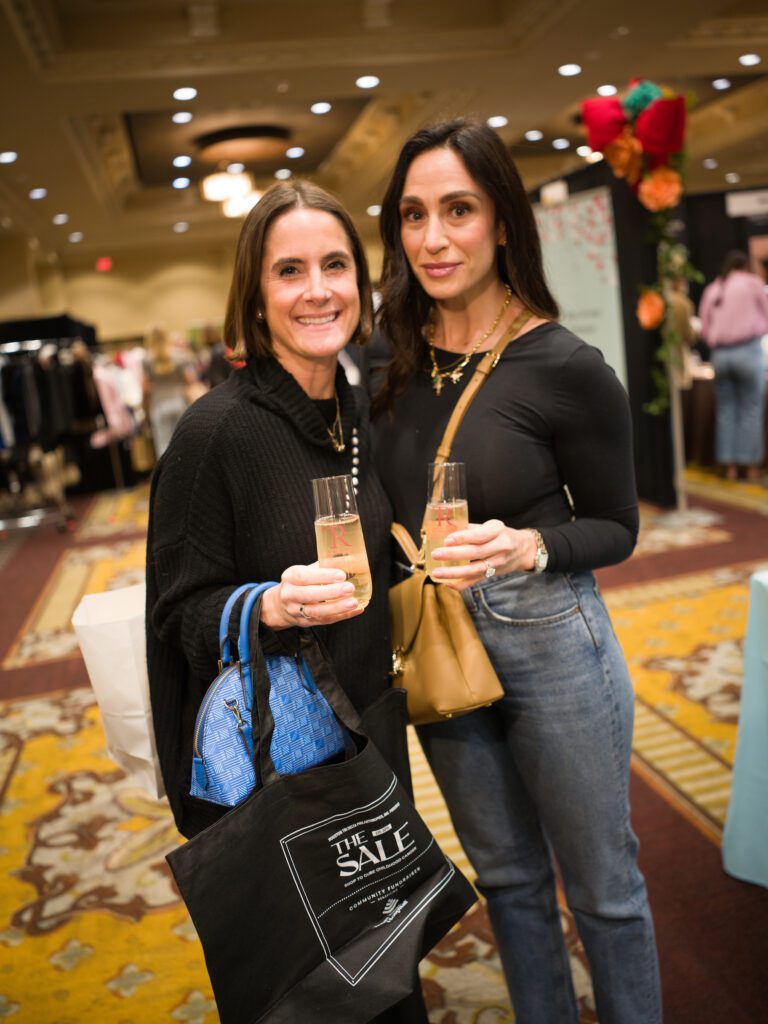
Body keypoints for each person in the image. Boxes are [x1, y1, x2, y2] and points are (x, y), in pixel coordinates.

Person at [372, 119, 662, 1024]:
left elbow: (618, 527)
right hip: (436, 642)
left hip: (550, 640)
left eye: (458, 210)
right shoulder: (387, 360)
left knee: (604, 888)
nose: (433, 238)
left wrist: (529, 545)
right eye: (413, 214)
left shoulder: (565, 365)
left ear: (502, 221)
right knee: (507, 880)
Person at [146, 180, 427, 1023]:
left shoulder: (358, 410)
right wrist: (268, 605)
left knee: (388, 968)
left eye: (335, 265)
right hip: (282, 762)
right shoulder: (214, 433)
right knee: (307, 992)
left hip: (369, 731)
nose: (318, 290)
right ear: (256, 295)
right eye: (289, 270)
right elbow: (176, 615)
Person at [699, 251, 768, 482]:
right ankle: (750, 467)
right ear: (744, 266)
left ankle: (729, 467)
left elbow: (704, 329)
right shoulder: (752, 283)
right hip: (748, 351)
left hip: (720, 355)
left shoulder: (713, 289)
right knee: (751, 410)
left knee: (726, 411)